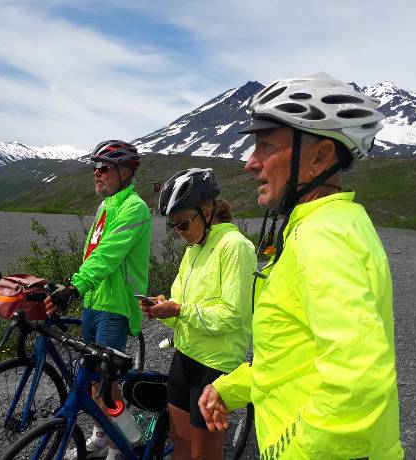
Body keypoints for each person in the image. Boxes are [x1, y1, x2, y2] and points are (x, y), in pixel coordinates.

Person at [198, 73, 404, 459]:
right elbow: (291, 356)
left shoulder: (321, 237)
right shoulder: (326, 226)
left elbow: (357, 382)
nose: (250, 163)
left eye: (266, 147)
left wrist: (298, 451)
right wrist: (228, 388)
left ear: (320, 158)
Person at [140, 168, 257, 460]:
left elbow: (233, 315)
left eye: (183, 224)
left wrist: (179, 309)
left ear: (207, 211)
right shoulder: (194, 248)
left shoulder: (236, 247)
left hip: (215, 365)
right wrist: (162, 309)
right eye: (173, 226)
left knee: (203, 454)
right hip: (185, 355)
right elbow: (181, 308)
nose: (179, 233)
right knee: (180, 443)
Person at [45, 140, 151, 460]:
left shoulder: (134, 207)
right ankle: (101, 436)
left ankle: (123, 448)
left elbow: (108, 256)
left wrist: (74, 287)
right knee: (92, 381)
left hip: (115, 307)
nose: (97, 174)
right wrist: (71, 286)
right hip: (95, 302)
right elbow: (92, 256)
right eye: (95, 168)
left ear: (125, 171)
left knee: (108, 385)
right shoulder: (107, 206)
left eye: (103, 168)